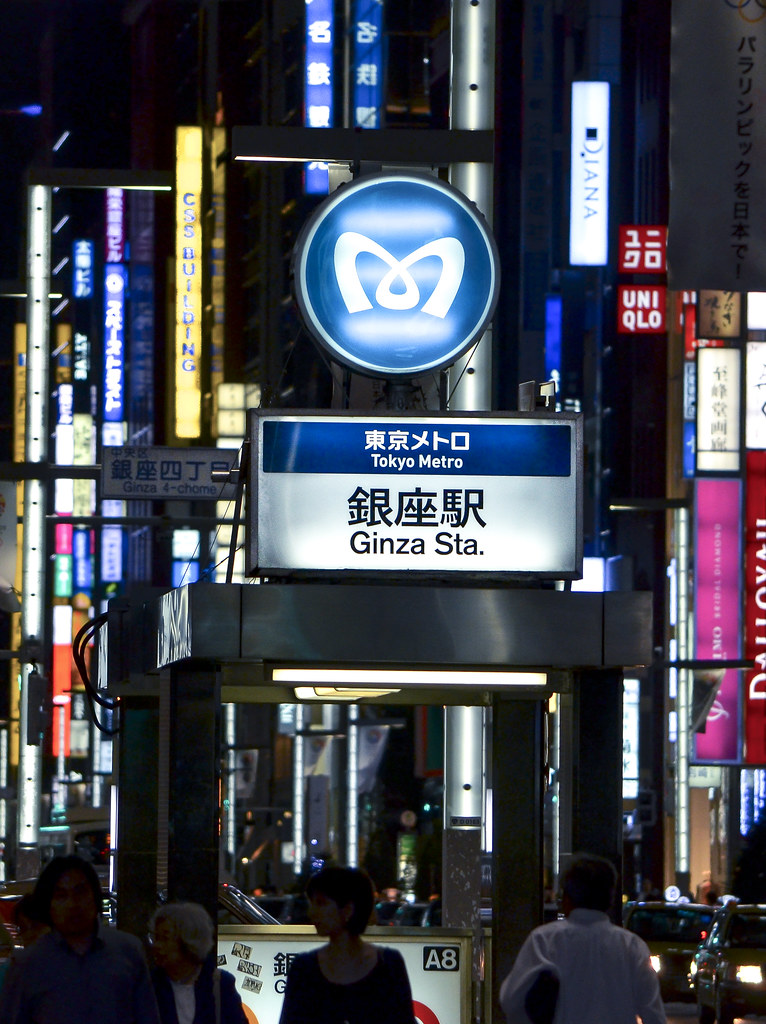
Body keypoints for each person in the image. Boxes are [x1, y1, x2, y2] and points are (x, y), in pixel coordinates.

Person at [500, 853, 666, 1024]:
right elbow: (653, 1014)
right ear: (610, 899)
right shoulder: (631, 946)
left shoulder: (544, 941)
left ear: (567, 898)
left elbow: (512, 1000)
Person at [0, 854, 161, 1024]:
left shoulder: (127, 951)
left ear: (95, 897)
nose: (72, 904)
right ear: (49, 904)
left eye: (80, 892)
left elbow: (147, 1016)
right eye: (61, 895)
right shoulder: (29, 963)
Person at [278, 866, 416, 1024]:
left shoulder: (389, 965)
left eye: (321, 903)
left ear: (348, 910)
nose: (312, 913)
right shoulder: (303, 968)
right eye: (312, 903)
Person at [149, 901, 247, 1024]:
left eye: (165, 939)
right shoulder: (150, 986)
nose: (157, 946)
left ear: (188, 942)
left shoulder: (220, 984)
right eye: (156, 938)